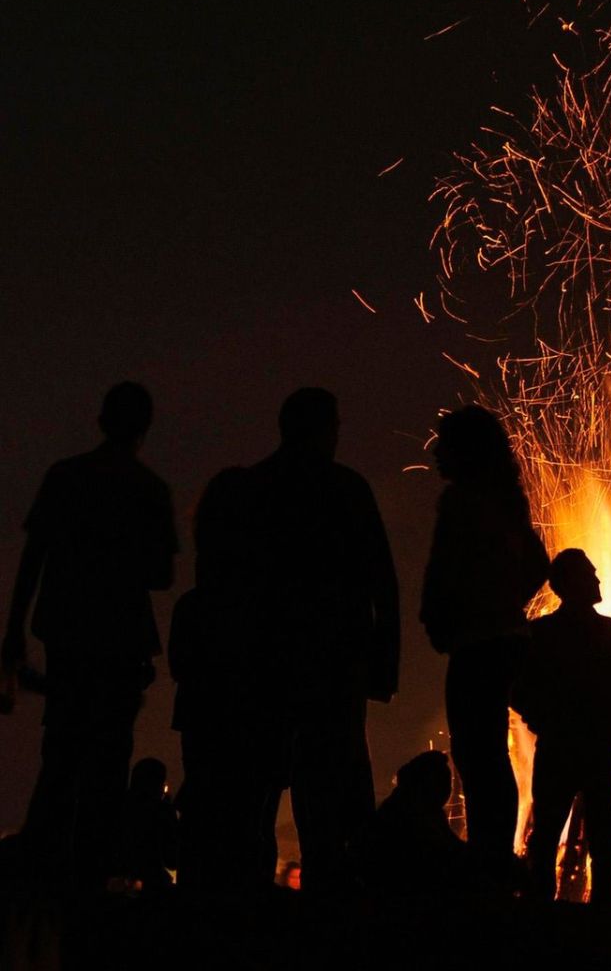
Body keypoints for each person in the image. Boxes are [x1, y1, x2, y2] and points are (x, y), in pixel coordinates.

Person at [3, 382, 177, 891]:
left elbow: (33, 560)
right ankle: (90, 876)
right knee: (109, 759)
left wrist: (14, 631)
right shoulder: (148, 489)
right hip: (120, 642)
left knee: (61, 751)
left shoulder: (65, 477)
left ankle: (42, 873)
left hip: (68, 633)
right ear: (144, 428)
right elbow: (161, 575)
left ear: (101, 419)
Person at [244, 387, 401, 894]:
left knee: (265, 776)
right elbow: (384, 580)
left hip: (268, 658)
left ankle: (252, 885)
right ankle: (330, 882)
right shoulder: (347, 489)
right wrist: (384, 661)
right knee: (332, 773)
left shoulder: (256, 487)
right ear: (320, 429)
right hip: (336, 660)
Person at [421, 406, 549, 860]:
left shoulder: (463, 502)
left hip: (477, 645)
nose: (436, 454)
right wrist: (508, 605)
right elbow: (538, 563)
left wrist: (458, 616)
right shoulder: (506, 500)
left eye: (446, 444)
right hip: (504, 640)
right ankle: (493, 857)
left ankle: (487, 861)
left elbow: (445, 572)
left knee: (477, 756)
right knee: (489, 755)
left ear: (467, 451)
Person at [171, 466, 281, 890]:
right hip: (255, 713)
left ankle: (202, 911)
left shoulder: (195, 607)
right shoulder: (267, 605)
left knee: (207, 812)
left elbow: (182, 665)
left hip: (204, 713)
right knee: (254, 818)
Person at [513, 549, 611, 902]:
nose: (598, 580)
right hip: (596, 747)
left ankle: (542, 906)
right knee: (600, 832)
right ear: (571, 584)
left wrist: (539, 715)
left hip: (559, 745)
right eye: (590, 574)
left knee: (550, 831)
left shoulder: (539, 634)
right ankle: (602, 908)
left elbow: (518, 689)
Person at [352, 750, 518, 898]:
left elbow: (453, 847)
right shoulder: (410, 812)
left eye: (448, 782)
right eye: (444, 782)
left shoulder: (422, 806)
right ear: (428, 783)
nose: (449, 789)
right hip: (401, 891)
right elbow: (447, 852)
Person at [120, 757, 178, 892]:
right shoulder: (162, 810)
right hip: (152, 885)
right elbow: (172, 859)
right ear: (159, 784)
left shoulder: (120, 807)